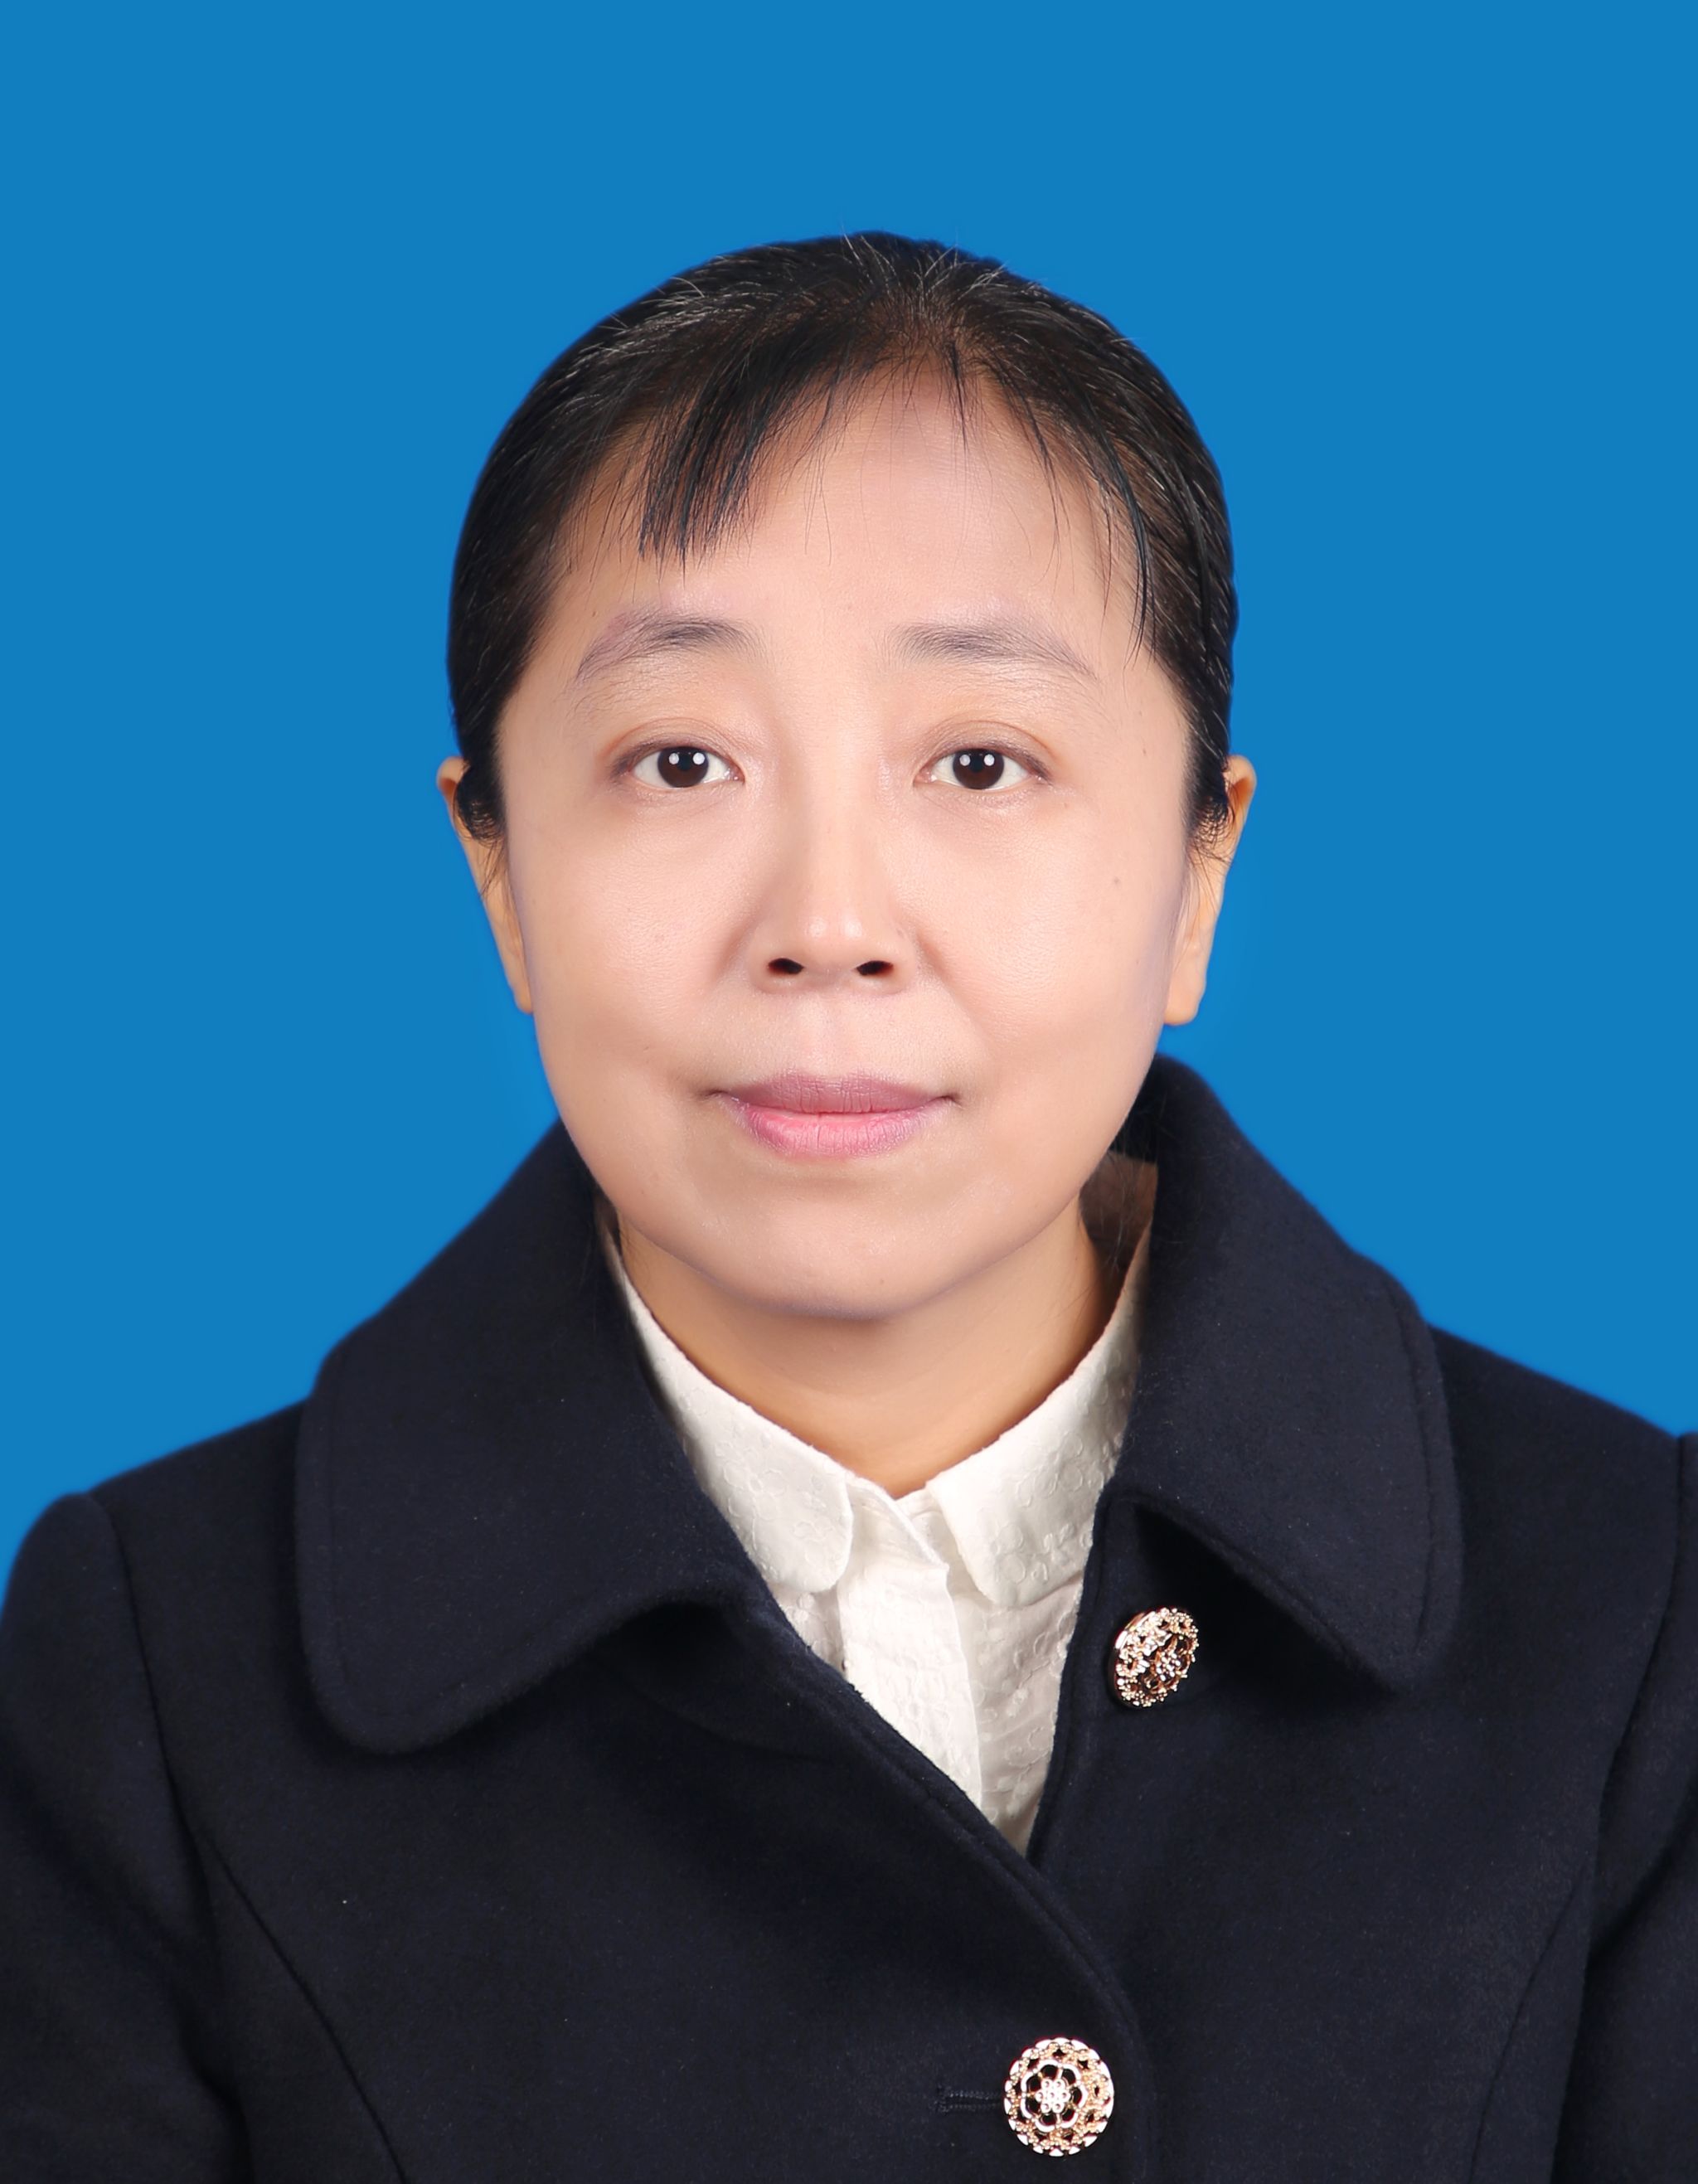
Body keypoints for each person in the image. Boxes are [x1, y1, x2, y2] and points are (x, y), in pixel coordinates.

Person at [1, 231, 1691, 2180]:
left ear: (1199, 869)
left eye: (978, 761)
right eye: (680, 760)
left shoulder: (1629, 1607)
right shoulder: (155, 1666)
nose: (825, 923)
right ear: (498, 870)